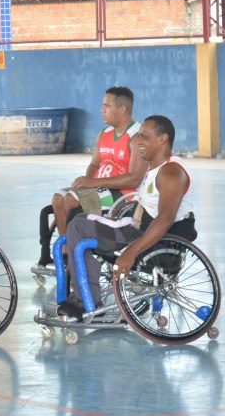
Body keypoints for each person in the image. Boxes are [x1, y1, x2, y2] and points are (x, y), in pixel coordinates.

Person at [56, 115, 197, 321]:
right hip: (139, 229)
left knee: (79, 228)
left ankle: (86, 300)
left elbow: (165, 219)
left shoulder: (171, 173)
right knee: (79, 221)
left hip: (152, 242)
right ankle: (83, 293)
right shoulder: (156, 167)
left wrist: (131, 252)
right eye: (138, 136)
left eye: (144, 137)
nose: (138, 142)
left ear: (162, 139)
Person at [36, 86, 146, 268]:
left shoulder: (136, 137)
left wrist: (92, 182)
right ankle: (66, 251)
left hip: (123, 196)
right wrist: (86, 183)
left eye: (107, 106)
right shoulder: (104, 134)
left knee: (71, 199)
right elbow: (94, 165)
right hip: (100, 188)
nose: (102, 110)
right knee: (58, 197)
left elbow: (135, 179)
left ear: (122, 109)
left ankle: (77, 252)